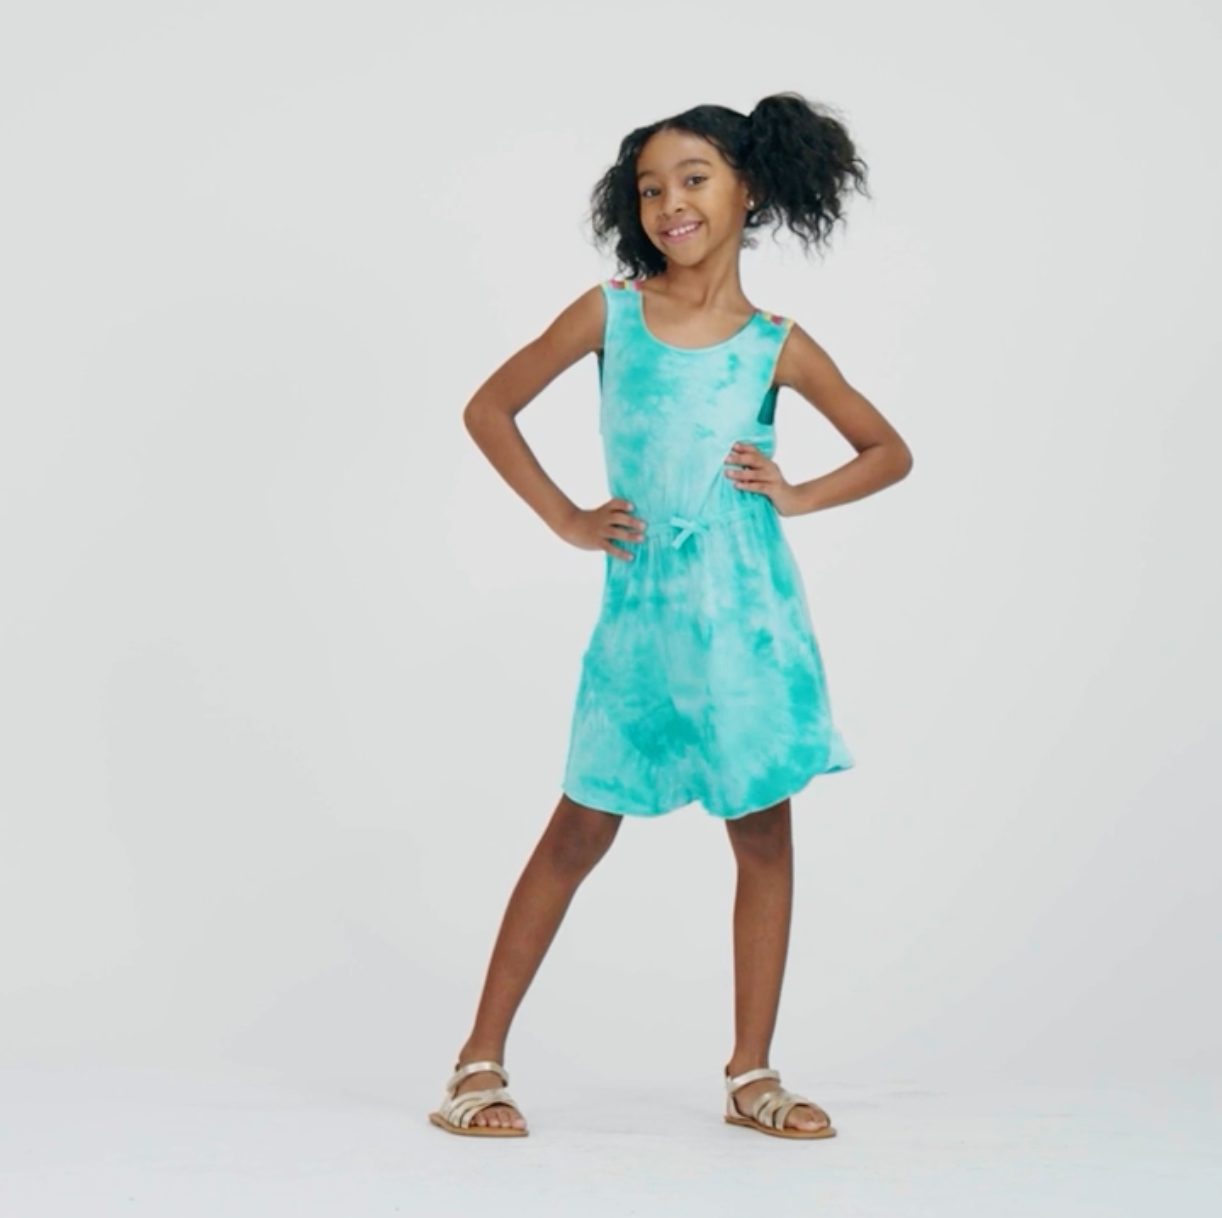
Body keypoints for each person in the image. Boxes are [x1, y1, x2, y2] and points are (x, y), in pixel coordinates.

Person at [428, 91, 913, 1140]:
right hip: (642, 618)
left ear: (750, 191)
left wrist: (796, 495)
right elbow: (488, 407)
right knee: (578, 828)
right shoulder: (609, 314)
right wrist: (566, 516)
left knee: (764, 832)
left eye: (693, 179)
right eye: (649, 188)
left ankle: (751, 1074)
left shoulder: (776, 344)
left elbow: (888, 450)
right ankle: (477, 1062)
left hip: (748, 620)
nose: (669, 204)